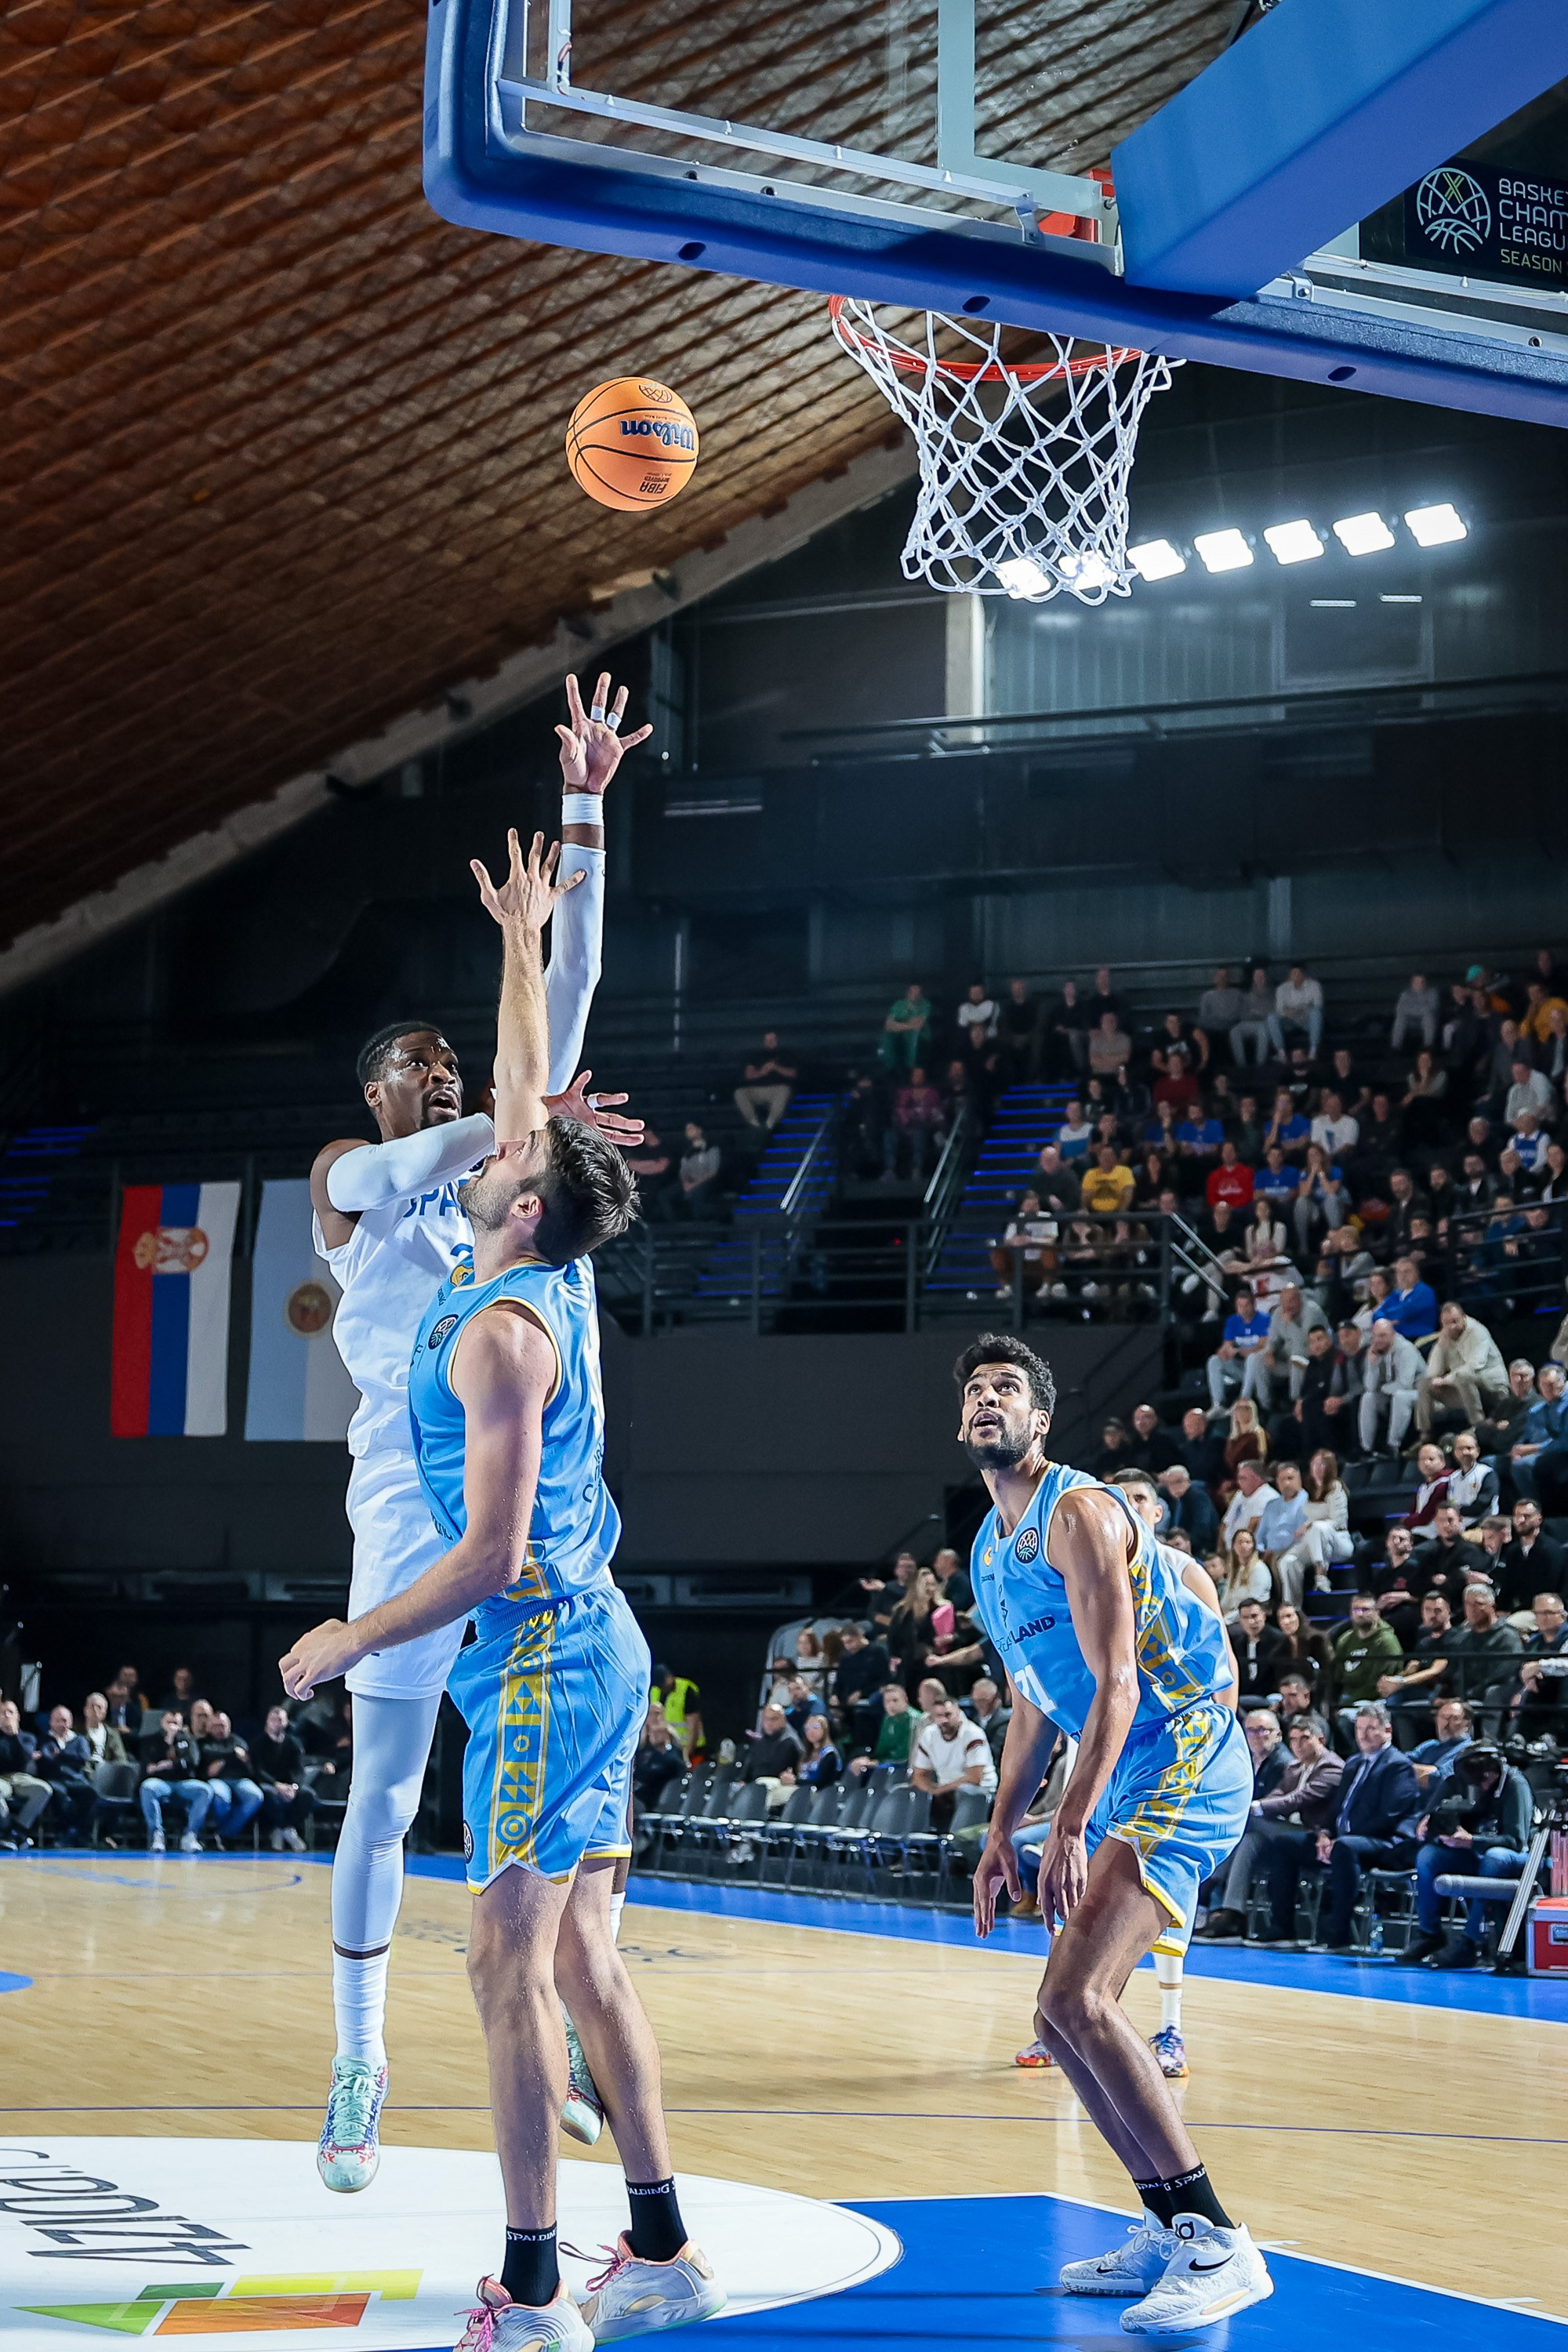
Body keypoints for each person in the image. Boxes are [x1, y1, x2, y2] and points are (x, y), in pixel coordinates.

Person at [281, 828, 723, 2352]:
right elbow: (531, 1074)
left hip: (532, 1641)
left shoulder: (501, 1328)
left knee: (502, 1965)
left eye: (513, 1154)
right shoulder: (505, 1250)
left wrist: (345, 1636)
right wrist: (532, 925)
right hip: (582, 1629)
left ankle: (532, 2293)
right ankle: (660, 2248)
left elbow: (486, 1560)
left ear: (524, 1202)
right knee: (581, 1957)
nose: (495, 1137)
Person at [303, 677, 644, 2190]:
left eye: (454, 1060)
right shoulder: (352, 1175)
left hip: (516, 1489)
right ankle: (360, 2056)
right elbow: (492, 1108)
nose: (439, 1073)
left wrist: (586, 815)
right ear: (373, 1089)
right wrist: (530, 1110)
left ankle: (558, 2034)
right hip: (403, 1497)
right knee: (385, 1792)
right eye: (416, 1063)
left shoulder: (495, 1182)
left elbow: (568, 993)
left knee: (540, 1795)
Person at [959, 1334, 1271, 2331]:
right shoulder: (986, 1551)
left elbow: (1119, 1684)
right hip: (1125, 1764)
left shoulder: (1080, 1512)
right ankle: (1166, 2222)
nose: (986, 1399)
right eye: (974, 1389)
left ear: (1040, 1420)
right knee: (1057, 2019)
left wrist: (1067, 1825)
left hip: (1181, 1746)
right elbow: (1030, 1706)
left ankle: (1215, 2240)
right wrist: (1001, 1831)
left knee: (1078, 1997)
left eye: (1007, 1388)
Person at [1265, 1702, 1420, 1955]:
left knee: (1345, 1848)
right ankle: (1282, 1928)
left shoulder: (1398, 1765)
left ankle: (1339, 1935)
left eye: (1371, 1728)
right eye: (1359, 1728)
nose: (1363, 1735)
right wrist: (1324, 1834)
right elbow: (1336, 1809)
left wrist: (1341, 1840)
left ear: (1388, 1730)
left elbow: (1389, 1817)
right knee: (1285, 1844)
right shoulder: (1354, 1763)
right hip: (1344, 1842)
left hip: (1385, 1842)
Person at [1198, 1709, 1342, 1944]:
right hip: (1286, 1833)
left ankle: (1205, 1890)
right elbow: (1278, 1794)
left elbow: (1297, 1799)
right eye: (1294, 1740)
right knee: (1249, 1840)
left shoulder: (1331, 1767)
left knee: (1246, 1821)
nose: (1297, 1745)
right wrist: (1259, 1806)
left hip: (1315, 1836)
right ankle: (1233, 1914)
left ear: (1321, 1739)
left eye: (1305, 1739)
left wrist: (1255, 1808)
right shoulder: (1295, 1767)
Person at [1406, 1743, 1535, 1969]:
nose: (1484, 1786)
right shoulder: (1457, 1781)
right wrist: (1427, 1824)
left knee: (1495, 1857)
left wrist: (1472, 1841)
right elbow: (1432, 1818)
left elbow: (1516, 1841)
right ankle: (1429, 1934)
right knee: (1428, 1856)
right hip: (1473, 1855)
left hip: (1514, 1858)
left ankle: (1470, 1941)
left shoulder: (1515, 1784)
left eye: (1487, 1780)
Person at [1417, 1301, 1510, 1437]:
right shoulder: (1445, 1337)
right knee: (1424, 1383)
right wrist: (1440, 1347)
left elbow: (1475, 1366)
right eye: (1446, 1323)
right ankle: (1425, 1433)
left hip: (1492, 1388)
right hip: (1464, 1389)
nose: (1451, 1327)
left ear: (1464, 1317)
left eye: (1455, 1321)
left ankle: (1478, 1426)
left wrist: (1445, 1380)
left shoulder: (1478, 1332)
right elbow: (1433, 1372)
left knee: (1463, 1376)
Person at [910, 1694, 997, 1825]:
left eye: (948, 1715)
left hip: (979, 1791)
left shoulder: (973, 1734)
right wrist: (931, 1791)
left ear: (958, 1713)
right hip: (945, 1791)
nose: (944, 1720)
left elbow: (974, 1778)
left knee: (964, 1792)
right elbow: (919, 1775)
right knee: (912, 1794)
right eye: (939, 1716)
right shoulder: (928, 1734)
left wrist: (939, 1791)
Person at [139, 1709, 214, 1853]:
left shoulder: (188, 1739)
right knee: (148, 1787)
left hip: (183, 1783)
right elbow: (148, 1767)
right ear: (162, 1723)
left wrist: (170, 1764)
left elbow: (192, 1761)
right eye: (169, 1722)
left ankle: (190, 1834)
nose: (172, 1726)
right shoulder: (151, 1740)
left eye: (176, 1723)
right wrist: (168, 1743)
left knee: (205, 1790)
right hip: (161, 1782)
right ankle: (157, 1834)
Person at [254, 1704, 318, 1851]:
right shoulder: (258, 1743)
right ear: (267, 1721)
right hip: (269, 1785)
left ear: (286, 1722)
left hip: (289, 1786)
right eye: (273, 1720)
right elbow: (258, 1770)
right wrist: (277, 1785)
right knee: (268, 1797)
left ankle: (281, 1828)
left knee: (308, 1795)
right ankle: (286, 1830)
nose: (277, 1723)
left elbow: (299, 1770)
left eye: (280, 1720)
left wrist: (294, 1787)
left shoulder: (294, 1744)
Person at [1358, 1318, 1424, 1457]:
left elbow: (1405, 1384)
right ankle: (1366, 1448)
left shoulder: (1406, 1349)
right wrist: (1373, 1364)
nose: (1378, 1340)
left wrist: (1381, 1389)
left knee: (1400, 1396)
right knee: (1368, 1398)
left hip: (1419, 1392)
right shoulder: (1374, 1351)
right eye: (1375, 1336)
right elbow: (1369, 1387)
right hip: (1392, 1393)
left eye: (1383, 1336)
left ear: (1393, 1335)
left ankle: (1393, 1446)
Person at [0, 1699, 53, 1847]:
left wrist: (15, 1735)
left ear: (18, 1716)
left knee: (44, 1789)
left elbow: (24, 1758)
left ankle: (18, 1830)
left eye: (10, 1712)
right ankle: (7, 1829)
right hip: (1, 1777)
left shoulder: (28, 1738)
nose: (7, 1716)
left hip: (20, 1777)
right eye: (3, 1713)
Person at [732, 1033, 797, 1131]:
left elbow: (793, 1074)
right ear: (764, 1042)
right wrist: (762, 1072)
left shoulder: (786, 1054)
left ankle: (771, 1122)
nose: (770, 1042)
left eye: (773, 1040)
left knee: (785, 1090)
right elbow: (749, 1075)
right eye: (768, 1040)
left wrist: (776, 1067)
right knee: (739, 1092)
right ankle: (753, 1121)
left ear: (778, 1041)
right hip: (756, 1090)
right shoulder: (755, 1055)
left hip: (778, 1089)